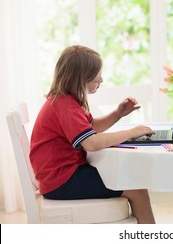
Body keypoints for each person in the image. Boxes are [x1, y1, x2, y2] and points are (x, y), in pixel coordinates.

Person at [30, 45, 156, 224]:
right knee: (138, 191)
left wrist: (117, 114)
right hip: (62, 181)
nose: (101, 79)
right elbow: (91, 143)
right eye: (96, 76)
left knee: (127, 177)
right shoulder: (66, 107)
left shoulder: (64, 101)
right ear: (80, 78)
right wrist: (131, 133)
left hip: (59, 177)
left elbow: (90, 128)